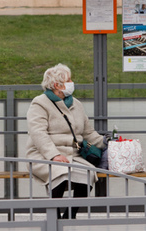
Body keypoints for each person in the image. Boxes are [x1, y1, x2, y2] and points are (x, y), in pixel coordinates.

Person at [26, 63, 105, 219]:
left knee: (87, 174)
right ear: (57, 85)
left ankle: (69, 216)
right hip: (44, 155)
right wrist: (53, 155)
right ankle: (53, 218)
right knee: (60, 173)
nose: (71, 83)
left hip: (73, 154)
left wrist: (107, 143)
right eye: (69, 80)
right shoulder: (39, 104)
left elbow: (87, 132)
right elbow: (38, 133)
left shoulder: (76, 104)